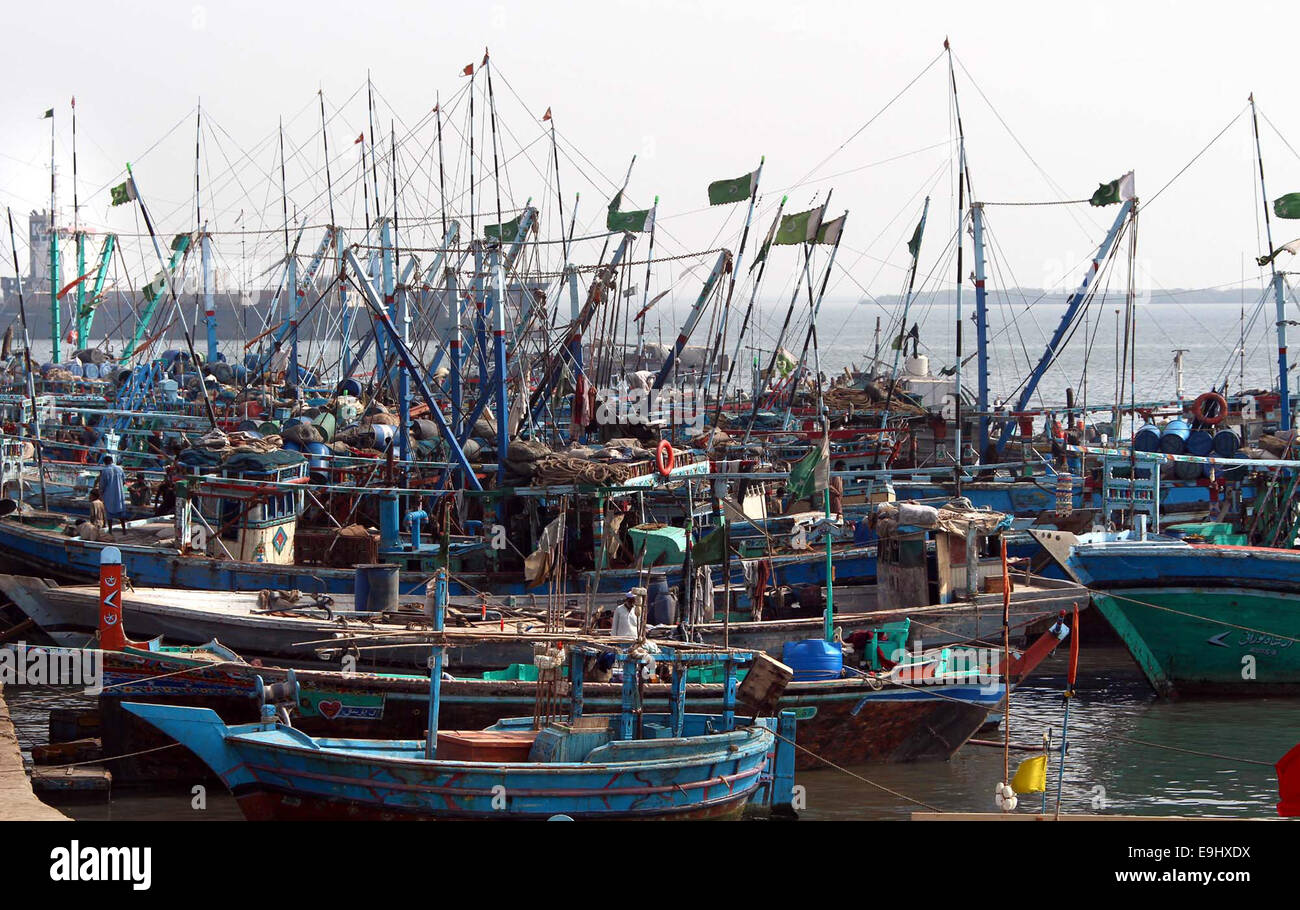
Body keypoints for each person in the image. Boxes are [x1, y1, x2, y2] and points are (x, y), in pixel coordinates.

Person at [96, 454, 128, 534]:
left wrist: (101, 493)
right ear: (112, 461)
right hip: (119, 493)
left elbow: (102, 484)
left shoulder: (105, 471)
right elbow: (124, 481)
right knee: (121, 512)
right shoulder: (120, 468)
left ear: (105, 462)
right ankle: (124, 530)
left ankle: (110, 530)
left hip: (109, 494)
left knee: (109, 513)